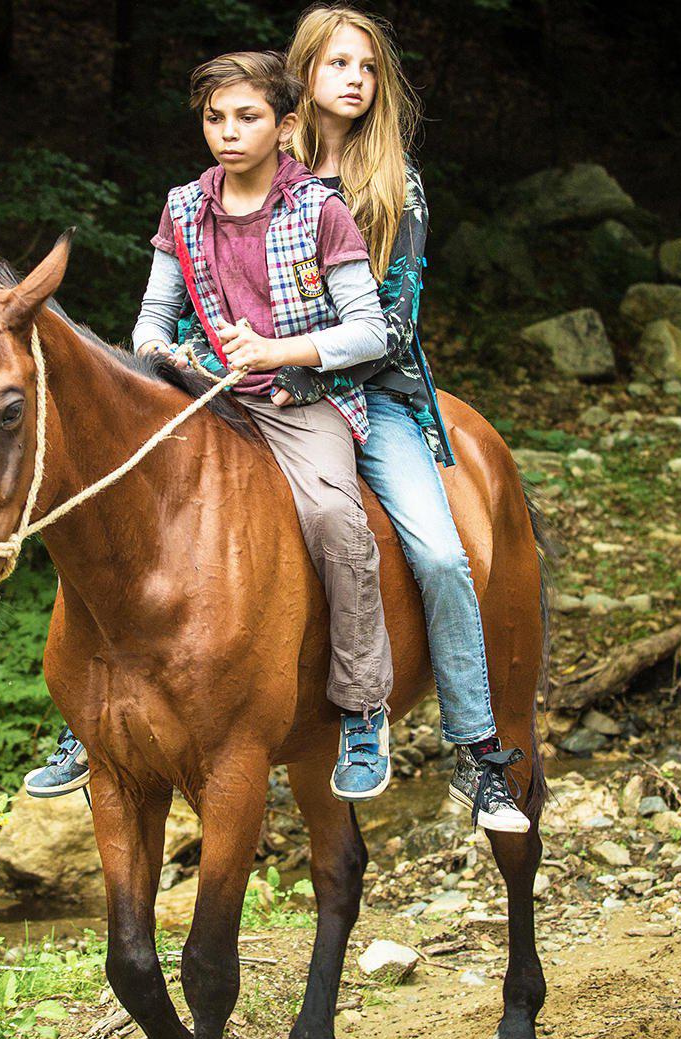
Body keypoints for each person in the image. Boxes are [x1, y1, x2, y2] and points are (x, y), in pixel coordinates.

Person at [25, 49, 397, 802]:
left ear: (285, 125)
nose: (228, 133)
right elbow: (152, 316)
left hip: (297, 402)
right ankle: (87, 717)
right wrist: (157, 351)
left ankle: (361, 708)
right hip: (205, 396)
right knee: (109, 517)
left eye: (247, 118)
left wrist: (277, 349)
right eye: (214, 118)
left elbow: (369, 331)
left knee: (333, 518)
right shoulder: (184, 206)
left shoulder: (318, 210)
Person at [273, 6, 527, 833]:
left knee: (442, 554)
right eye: (337, 62)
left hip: (372, 395)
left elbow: (394, 319)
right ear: (305, 71)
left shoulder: (397, 181)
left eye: (368, 66)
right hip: (260, 391)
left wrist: (305, 367)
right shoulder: (261, 163)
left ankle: (475, 751)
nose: (353, 78)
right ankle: (93, 724)